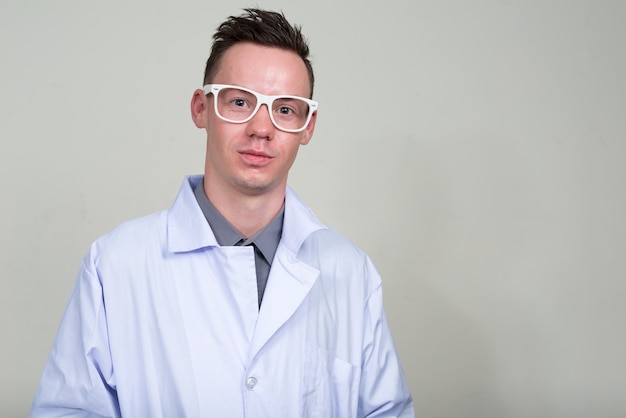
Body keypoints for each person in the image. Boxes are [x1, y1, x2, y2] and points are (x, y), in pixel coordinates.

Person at [30, 8, 414, 417]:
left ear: (308, 125)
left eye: (284, 109)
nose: (261, 128)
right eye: (239, 101)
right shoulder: (115, 265)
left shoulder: (350, 273)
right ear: (201, 109)